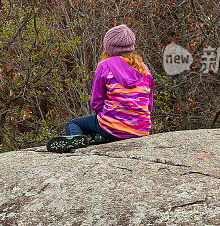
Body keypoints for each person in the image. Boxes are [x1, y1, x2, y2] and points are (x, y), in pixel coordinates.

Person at [46, 24, 154, 153]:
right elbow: (149, 103)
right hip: (141, 128)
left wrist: (108, 118)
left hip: (113, 125)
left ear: (108, 46)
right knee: (104, 124)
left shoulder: (105, 65)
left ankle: (79, 140)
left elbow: (96, 102)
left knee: (73, 124)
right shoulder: (144, 69)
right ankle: (98, 137)